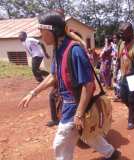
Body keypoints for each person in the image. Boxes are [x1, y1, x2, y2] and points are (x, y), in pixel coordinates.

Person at [18, 11, 120, 160]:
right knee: (88, 134)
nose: (40, 35)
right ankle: (112, 154)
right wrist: (33, 92)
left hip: (75, 105)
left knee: (61, 143)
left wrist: (79, 114)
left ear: (55, 31)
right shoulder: (58, 48)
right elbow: (53, 76)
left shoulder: (75, 50)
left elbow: (88, 85)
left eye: (42, 31)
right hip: (68, 103)